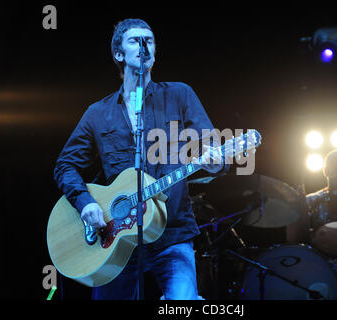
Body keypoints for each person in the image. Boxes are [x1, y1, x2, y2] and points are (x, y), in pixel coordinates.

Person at [53, 18, 229, 300]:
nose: (144, 45)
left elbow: (212, 151)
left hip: (172, 233)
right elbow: (65, 166)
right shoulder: (97, 114)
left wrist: (215, 160)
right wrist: (85, 203)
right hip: (114, 238)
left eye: (150, 40)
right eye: (135, 40)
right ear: (118, 54)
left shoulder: (180, 95)